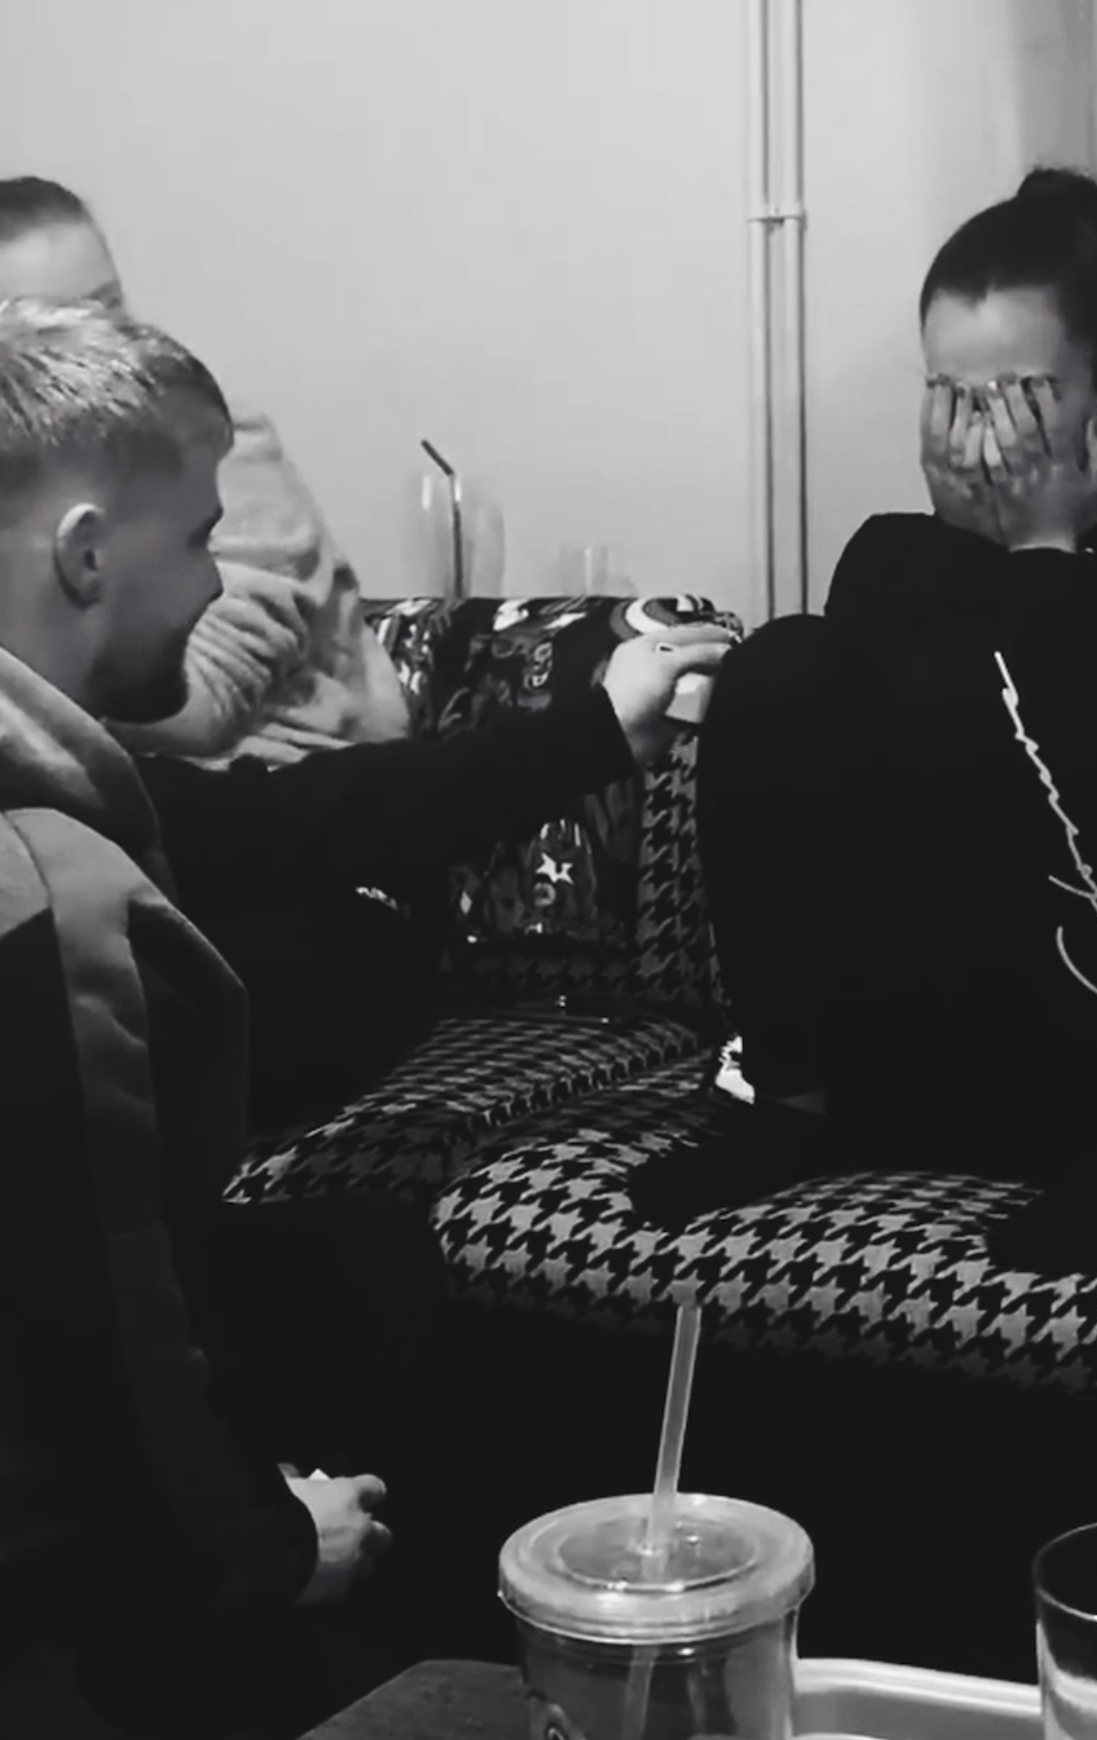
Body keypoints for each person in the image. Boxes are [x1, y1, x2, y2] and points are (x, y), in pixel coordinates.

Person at [0, 296, 728, 1739]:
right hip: (58, 1592)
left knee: (360, 1253)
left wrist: (592, 730)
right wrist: (275, 1546)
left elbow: (290, 818)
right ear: (85, 554)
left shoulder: (66, 798)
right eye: (200, 537)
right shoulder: (51, 899)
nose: (218, 582)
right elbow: (106, 1340)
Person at [630, 167, 1097, 1277]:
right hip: (926, 1049)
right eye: (954, 396)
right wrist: (973, 548)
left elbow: (1093, 815)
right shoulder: (901, 561)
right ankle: (798, 1105)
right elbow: (867, 817)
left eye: (1022, 395)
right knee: (788, 663)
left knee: (959, 691)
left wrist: (1047, 557)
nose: (987, 435)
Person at [0, 174, 412, 765]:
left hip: (290, 780)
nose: (104, 348)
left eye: (107, 309)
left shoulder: (210, 449)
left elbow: (203, 706)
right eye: (53, 331)